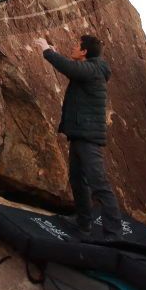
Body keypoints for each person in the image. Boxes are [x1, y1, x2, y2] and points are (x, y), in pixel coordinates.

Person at [35, 34, 123, 241]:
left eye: (76, 46)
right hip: (79, 135)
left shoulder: (94, 69)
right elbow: (74, 70)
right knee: (78, 181)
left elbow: (71, 68)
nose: (73, 48)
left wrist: (47, 50)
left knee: (98, 183)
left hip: (88, 137)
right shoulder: (91, 69)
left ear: (84, 52)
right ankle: (83, 222)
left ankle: (114, 235)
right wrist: (54, 53)